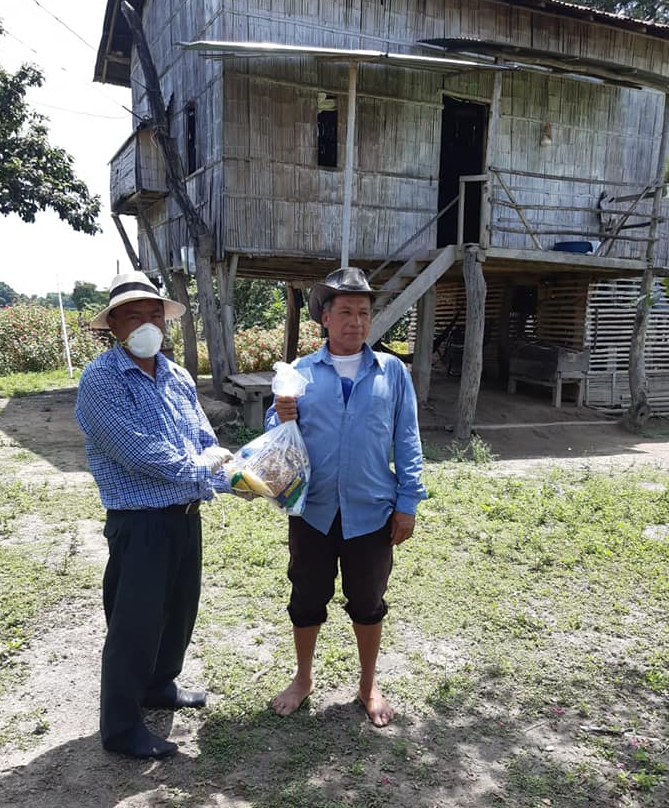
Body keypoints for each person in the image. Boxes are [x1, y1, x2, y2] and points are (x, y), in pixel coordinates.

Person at [75, 270, 235, 759]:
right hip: (140, 522)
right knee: (135, 624)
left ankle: (159, 686)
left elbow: (205, 439)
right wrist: (208, 468)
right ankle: (122, 728)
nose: (147, 324)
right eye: (133, 316)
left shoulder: (176, 375)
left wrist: (233, 477)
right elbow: (140, 452)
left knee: (179, 610)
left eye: (154, 314)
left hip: (185, 514)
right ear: (113, 326)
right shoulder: (101, 379)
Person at [266, 266, 427, 727]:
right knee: (306, 598)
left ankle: (368, 684)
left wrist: (408, 504)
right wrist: (280, 414)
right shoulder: (299, 373)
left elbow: (407, 440)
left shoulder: (392, 372)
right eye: (346, 312)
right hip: (313, 511)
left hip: (372, 513)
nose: (356, 321)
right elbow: (275, 437)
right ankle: (303, 678)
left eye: (364, 313)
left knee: (368, 602)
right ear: (325, 318)